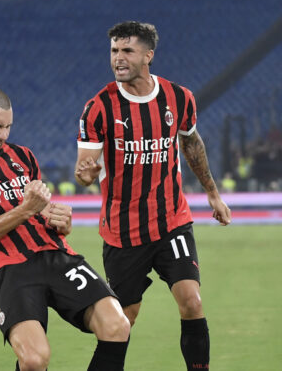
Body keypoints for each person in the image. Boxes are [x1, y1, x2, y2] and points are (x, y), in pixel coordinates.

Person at [0, 86, 131, 371]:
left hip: (56, 255)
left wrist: (62, 221)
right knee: (35, 360)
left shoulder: (22, 156)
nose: (3, 135)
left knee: (117, 325)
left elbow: (43, 212)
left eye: (8, 127)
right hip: (10, 269)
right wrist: (25, 209)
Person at [74, 21, 232, 370]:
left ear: (148, 55)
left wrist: (213, 194)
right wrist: (85, 173)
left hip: (171, 221)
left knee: (191, 301)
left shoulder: (179, 97)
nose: (118, 58)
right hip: (123, 232)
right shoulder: (99, 107)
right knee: (123, 320)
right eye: (114, 51)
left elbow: (191, 143)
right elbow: (85, 165)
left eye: (127, 51)